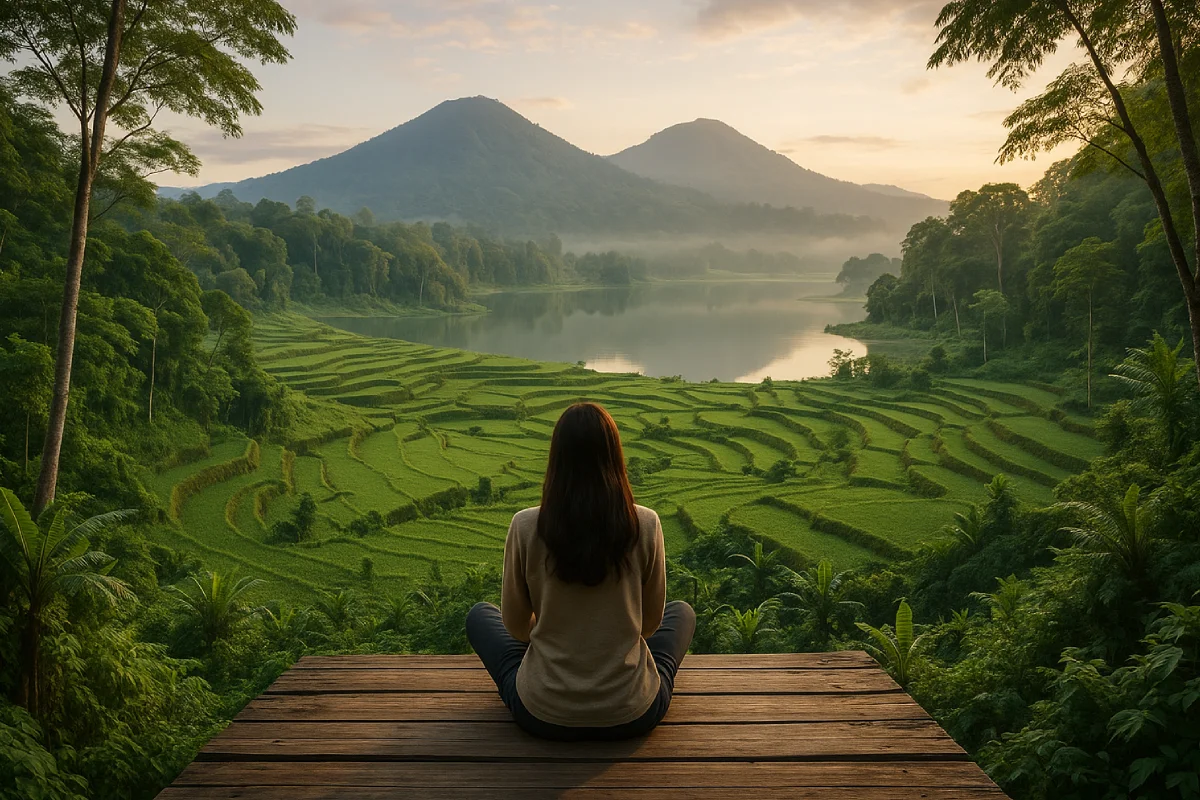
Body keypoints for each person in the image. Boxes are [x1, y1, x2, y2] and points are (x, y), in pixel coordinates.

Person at [466, 402, 696, 741]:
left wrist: (558, 639)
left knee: (480, 615)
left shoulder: (526, 525)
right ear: (615, 457)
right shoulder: (645, 524)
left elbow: (516, 627)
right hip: (632, 712)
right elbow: (648, 626)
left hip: (543, 713)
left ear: (556, 460)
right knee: (682, 613)